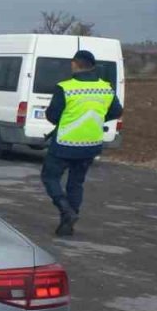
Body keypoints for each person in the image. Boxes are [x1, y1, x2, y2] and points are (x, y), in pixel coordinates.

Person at [41, 50, 123, 236]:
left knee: (49, 177)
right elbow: (117, 111)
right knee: (76, 183)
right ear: (93, 66)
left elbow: (53, 116)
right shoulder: (106, 87)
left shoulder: (65, 87)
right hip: (91, 144)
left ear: (76, 64)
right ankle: (68, 223)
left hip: (65, 143)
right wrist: (95, 118)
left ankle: (65, 209)